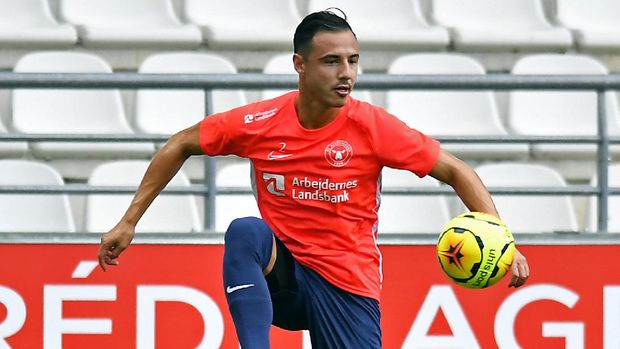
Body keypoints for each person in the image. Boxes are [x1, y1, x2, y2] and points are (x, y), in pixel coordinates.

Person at [98, 9, 530, 348]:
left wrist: (503, 239)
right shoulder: (261, 122)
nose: (346, 73)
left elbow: (457, 170)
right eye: (331, 61)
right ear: (299, 65)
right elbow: (180, 143)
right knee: (245, 232)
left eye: (353, 61)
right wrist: (128, 221)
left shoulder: (374, 127)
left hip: (348, 283)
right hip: (285, 277)